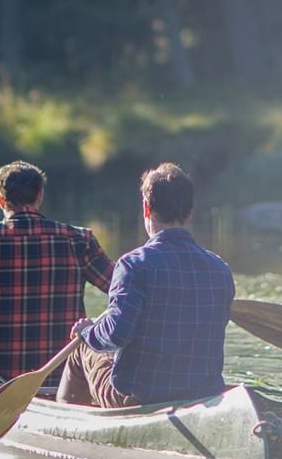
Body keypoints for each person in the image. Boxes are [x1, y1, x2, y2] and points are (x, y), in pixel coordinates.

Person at [57, 162, 234, 408]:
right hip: (201, 395)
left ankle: (68, 424)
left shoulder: (133, 265)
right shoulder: (220, 269)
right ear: (190, 212)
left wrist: (87, 331)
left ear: (146, 208)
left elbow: (116, 335)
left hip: (137, 397)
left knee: (82, 348)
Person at [0, 160, 114, 381]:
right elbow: (118, 286)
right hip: (62, 369)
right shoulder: (79, 239)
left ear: (0, 199)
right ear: (40, 196)